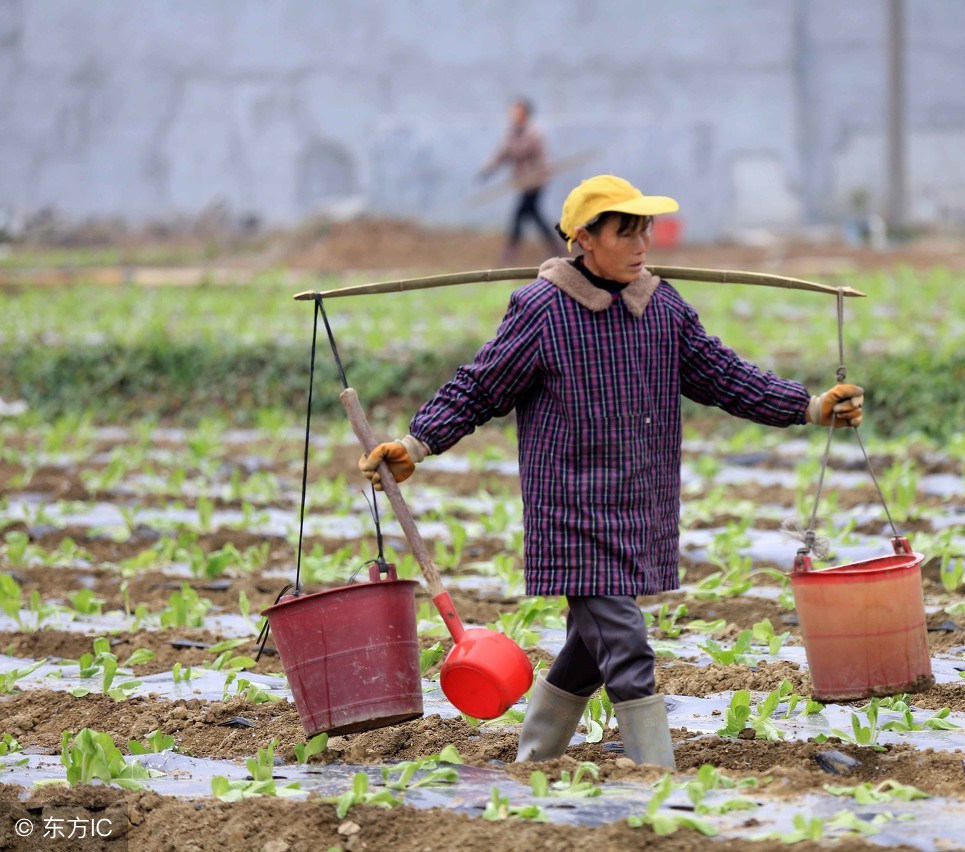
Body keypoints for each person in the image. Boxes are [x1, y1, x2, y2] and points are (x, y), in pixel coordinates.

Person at [358, 175, 864, 768]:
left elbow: (727, 376)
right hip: (572, 510)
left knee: (591, 648)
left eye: (644, 229)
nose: (641, 243)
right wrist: (416, 444)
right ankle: (658, 777)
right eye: (626, 231)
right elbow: (481, 386)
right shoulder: (542, 311)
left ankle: (535, 759)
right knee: (626, 647)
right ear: (584, 239)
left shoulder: (662, 307)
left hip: (639, 503)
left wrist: (806, 407)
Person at [478, 97, 561, 263]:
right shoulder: (512, 133)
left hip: (535, 182)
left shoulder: (534, 133)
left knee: (519, 214)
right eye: (513, 111)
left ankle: (510, 250)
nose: (514, 114)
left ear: (526, 113)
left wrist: (542, 173)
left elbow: (543, 158)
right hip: (522, 182)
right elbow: (502, 154)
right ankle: (555, 246)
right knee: (534, 214)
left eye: (517, 111)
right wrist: (488, 170)